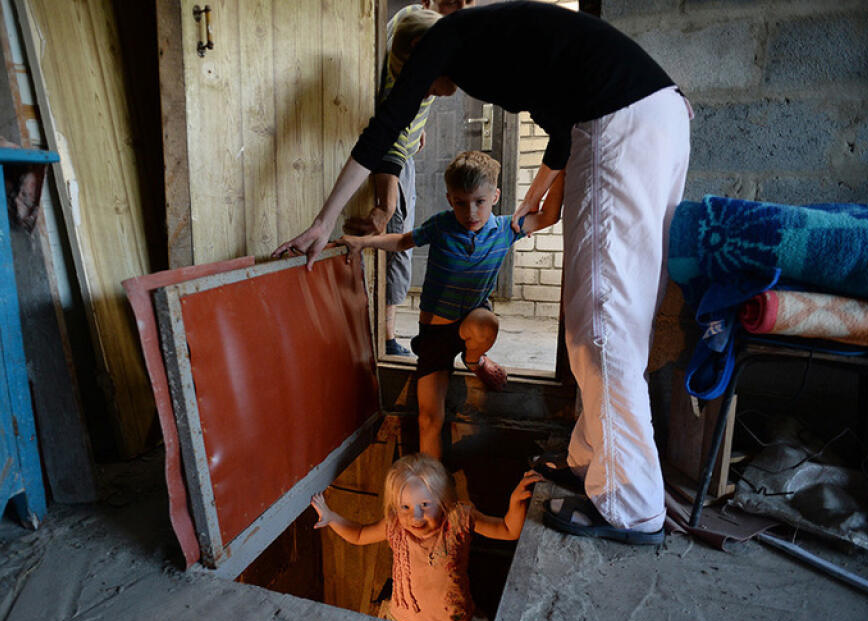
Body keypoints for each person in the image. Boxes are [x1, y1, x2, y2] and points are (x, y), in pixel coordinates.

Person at [274, 1, 690, 545]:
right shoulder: (496, 44)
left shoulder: (444, 40)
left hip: (622, 121)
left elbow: (384, 133)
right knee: (594, 320)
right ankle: (590, 464)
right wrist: (531, 200)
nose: (426, 92)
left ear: (416, 57)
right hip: (643, 120)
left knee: (604, 324)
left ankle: (632, 508)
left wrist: (322, 221)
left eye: (419, 81)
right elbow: (561, 140)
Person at [340, 150, 563, 458]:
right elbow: (402, 241)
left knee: (487, 324)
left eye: (479, 202)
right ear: (449, 199)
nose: (471, 212)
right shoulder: (442, 225)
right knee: (429, 419)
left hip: (472, 323)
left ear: (495, 196)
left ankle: (475, 361)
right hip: (434, 337)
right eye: (461, 202)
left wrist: (562, 166)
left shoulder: (505, 229)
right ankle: (434, 495)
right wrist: (363, 243)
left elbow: (550, 215)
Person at [345, 2, 474, 358]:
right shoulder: (413, 47)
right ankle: (385, 339)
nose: (463, 7)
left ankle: (386, 335)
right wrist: (386, 203)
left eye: (469, 0)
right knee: (395, 234)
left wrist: (420, 124)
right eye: (453, 1)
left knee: (398, 234)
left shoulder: (415, 21)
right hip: (394, 154)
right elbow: (389, 135)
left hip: (403, 147)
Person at [311, 455, 542, 621]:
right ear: (394, 506)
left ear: (443, 501)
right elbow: (360, 534)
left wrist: (516, 504)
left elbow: (508, 530)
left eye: (425, 504)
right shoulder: (395, 526)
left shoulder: (458, 518)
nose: (416, 516)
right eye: (405, 507)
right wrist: (332, 518)